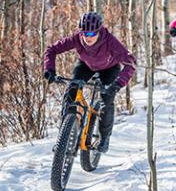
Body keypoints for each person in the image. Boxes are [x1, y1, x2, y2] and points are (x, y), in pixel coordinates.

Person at [44, 12, 136, 153]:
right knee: (71, 91)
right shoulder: (77, 38)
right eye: (84, 33)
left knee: (106, 99)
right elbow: (52, 49)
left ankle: (104, 138)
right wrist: (49, 70)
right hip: (86, 66)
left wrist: (117, 84)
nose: (88, 38)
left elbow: (131, 63)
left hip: (109, 69)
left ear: (99, 32)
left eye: (92, 34)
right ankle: (64, 135)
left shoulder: (110, 42)